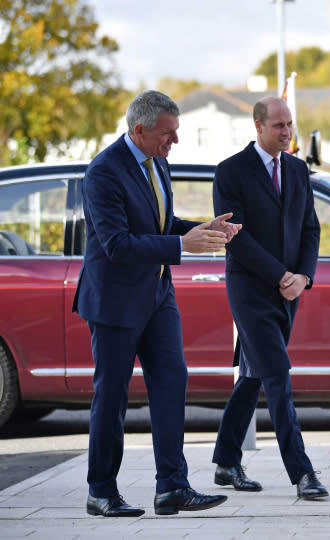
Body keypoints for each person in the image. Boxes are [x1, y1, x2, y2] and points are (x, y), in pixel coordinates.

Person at [73, 90, 241, 517]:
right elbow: (116, 244)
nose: (175, 142)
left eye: (176, 132)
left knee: (171, 385)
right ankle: (101, 492)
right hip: (114, 302)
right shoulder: (103, 173)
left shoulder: (155, 160)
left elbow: (161, 225)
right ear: (139, 130)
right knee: (111, 399)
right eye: (168, 134)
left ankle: (172, 487)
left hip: (157, 295)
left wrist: (205, 230)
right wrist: (182, 245)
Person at [211, 96, 327, 500]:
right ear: (258, 126)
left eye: (289, 124)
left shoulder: (296, 169)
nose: (286, 131)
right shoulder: (231, 172)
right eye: (278, 125)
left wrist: (303, 277)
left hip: (289, 290)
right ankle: (303, 473)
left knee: (254, 374)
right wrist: (281, 275)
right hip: (249, 290)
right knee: (277, 374)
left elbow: (310, 228)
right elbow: (235, 238)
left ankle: (226, 462)